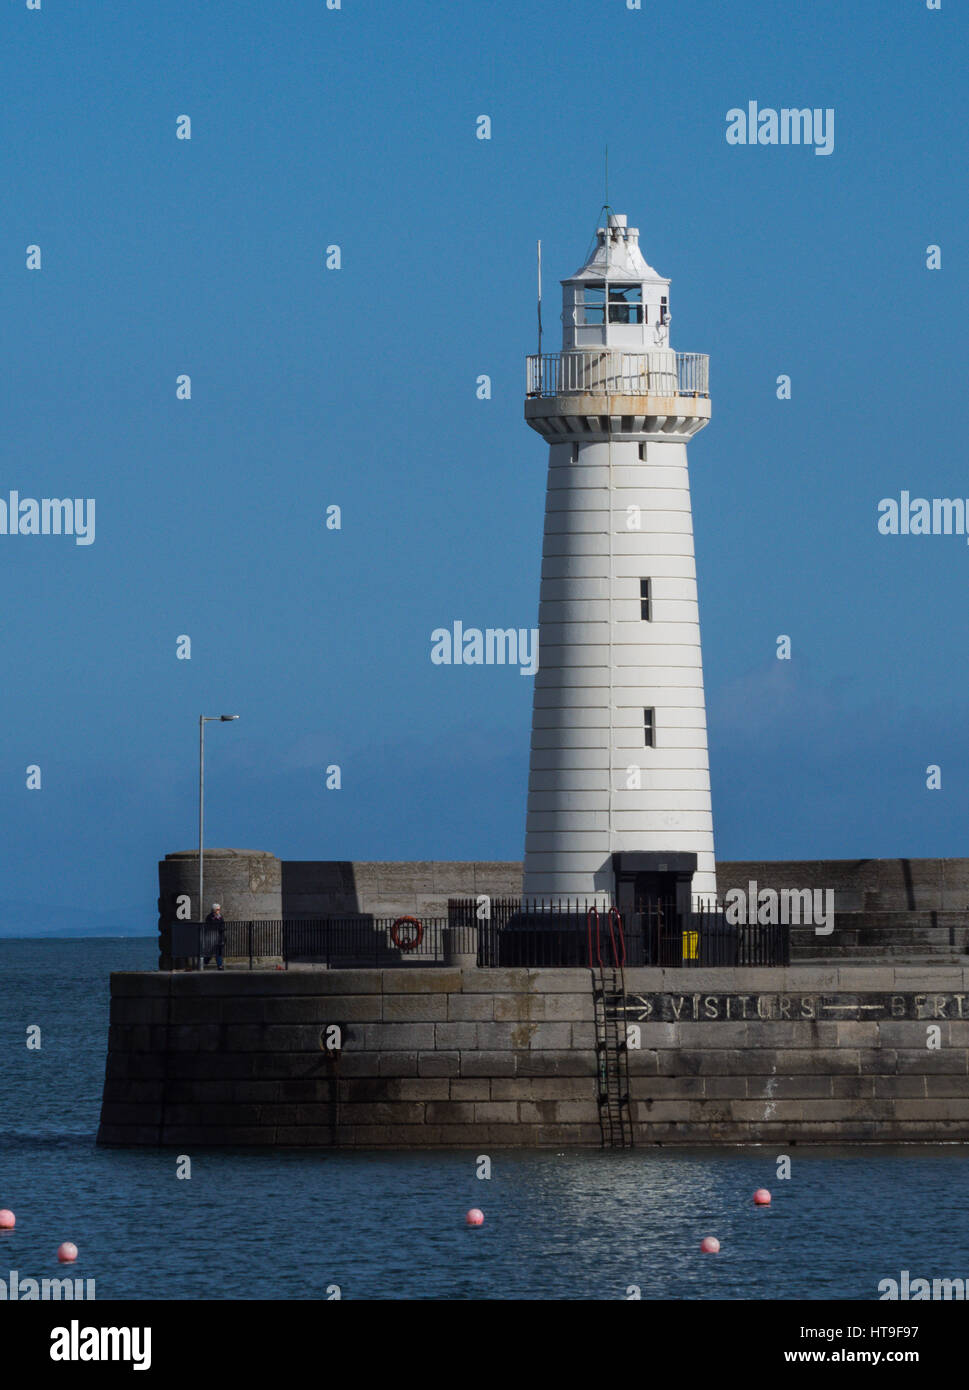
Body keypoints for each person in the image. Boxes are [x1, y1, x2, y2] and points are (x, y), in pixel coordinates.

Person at [203, 903, 226, 970]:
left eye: (219, 909)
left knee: (218, 951)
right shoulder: (209, 917)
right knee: (210, 952)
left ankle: (220, 966)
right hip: (211, 937)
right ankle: (205, 962)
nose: (219, 911)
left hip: (218, 937)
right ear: (214, 910)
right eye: (217, 909)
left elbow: (222, 926)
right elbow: (208, 926)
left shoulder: (220, 917)